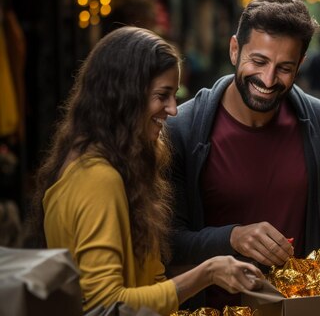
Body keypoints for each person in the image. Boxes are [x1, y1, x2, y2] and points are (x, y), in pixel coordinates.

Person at [27, 26, 263, 315]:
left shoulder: (108, 166)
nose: (173, 109)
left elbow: (142, 285)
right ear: (124, 96)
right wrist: (208, 272)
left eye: (175, 95)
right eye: (162, 95)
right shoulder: (98, 179)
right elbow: (107, 304)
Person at [166, 0, 320, 309]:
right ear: (235, 49)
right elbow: (168, 243)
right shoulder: (182, 130)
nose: (268, 79)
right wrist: (233, 237)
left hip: (301, 306)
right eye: (258, 61)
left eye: (284, 68)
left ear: (301, 64)